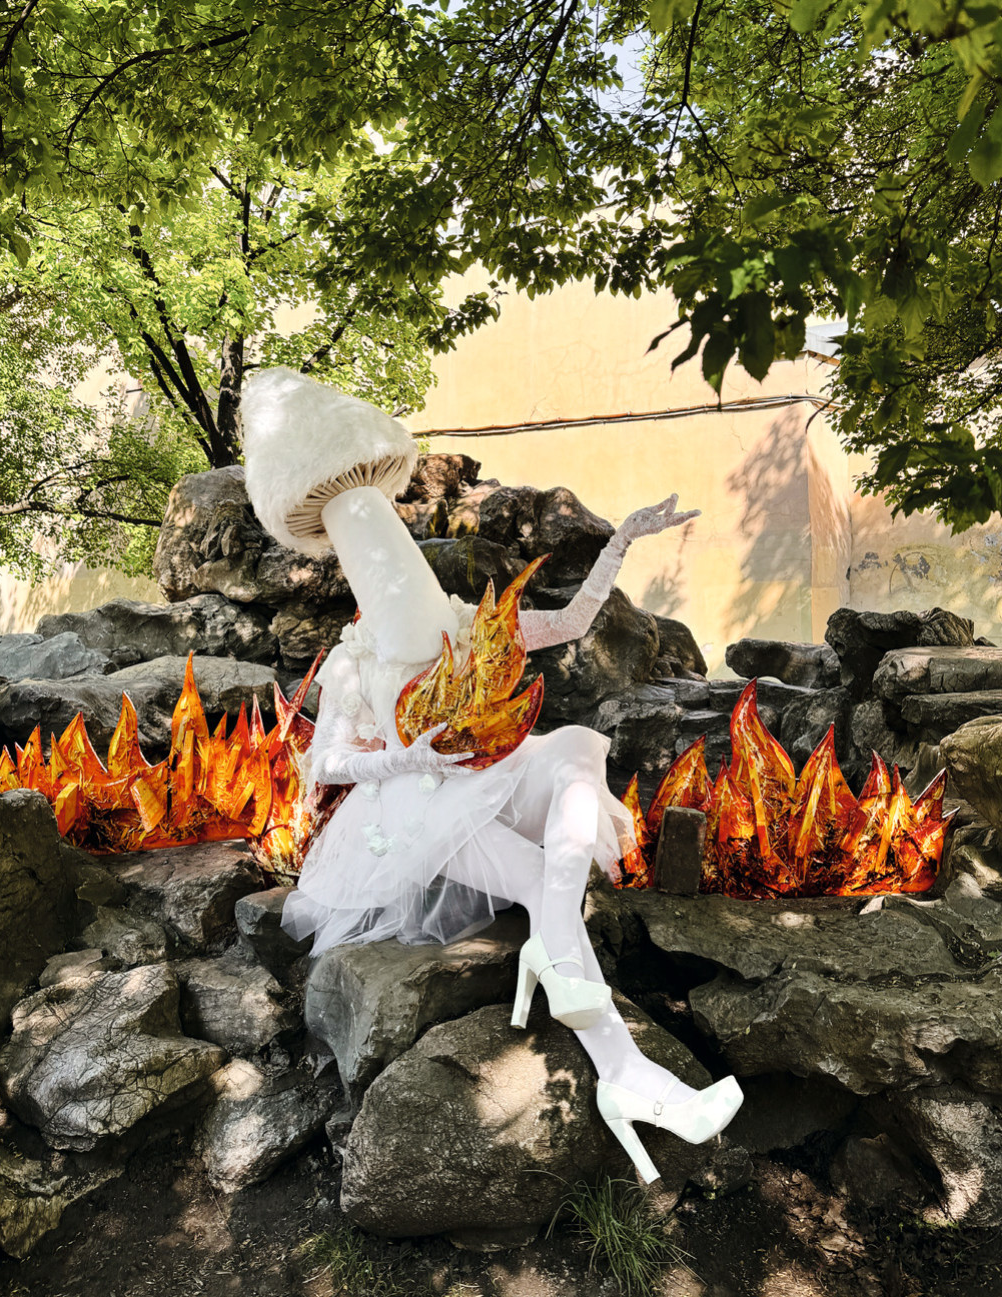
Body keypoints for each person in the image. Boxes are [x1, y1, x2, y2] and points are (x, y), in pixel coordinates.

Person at [242, 366, 743, 1183]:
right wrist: (406, 756)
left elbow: (572, 620)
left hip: (501, 772)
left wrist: (622, 540)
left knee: (575, 747)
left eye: (390, 543)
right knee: (541, 878)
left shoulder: (464, 619)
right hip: (418, 810)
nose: (385, 557)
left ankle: (555, 944)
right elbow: (325, 761)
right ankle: (630, 1076)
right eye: (368, 551)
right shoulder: (354, 659)